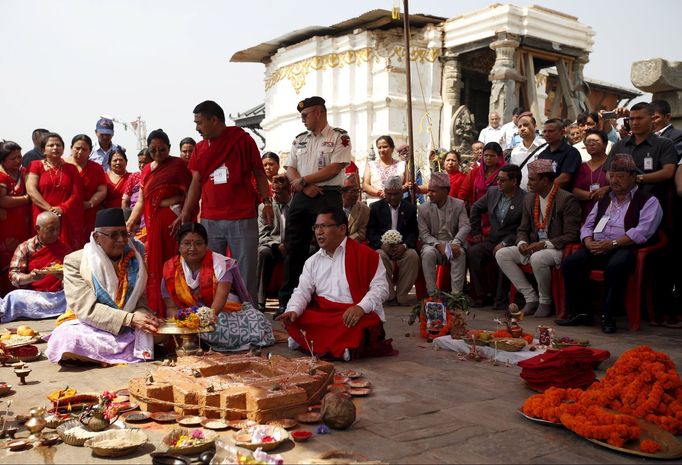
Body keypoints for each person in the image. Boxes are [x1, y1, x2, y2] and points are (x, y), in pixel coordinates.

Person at [176, 100, 273, 303]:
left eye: (200, 122)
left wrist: (267, 203)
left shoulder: (242, 140)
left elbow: (259, 173)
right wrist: (186, 212)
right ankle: (213, 317)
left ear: (214, 119)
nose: (197, 128)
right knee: (212, 273)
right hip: (211, 220)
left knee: (246, 271)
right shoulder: (200, 148)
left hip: (242, 216)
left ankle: (249, 316)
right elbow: (196, 182)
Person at [558, 154, 663, 333]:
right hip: (598, 246)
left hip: (625, 248)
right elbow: (588, 224)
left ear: (633, 177)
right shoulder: (605, 198)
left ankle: (609, 315)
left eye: (620, 176)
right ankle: (581, 313)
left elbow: (642, 231)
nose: (614, 180)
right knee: (570, 263)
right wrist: (589, 242)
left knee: (616, 266)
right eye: (611, 176)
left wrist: (613, 243)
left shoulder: (648, 200)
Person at [45, 208, 161, 364]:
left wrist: (142, 316)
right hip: (91, 326)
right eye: (114, 235)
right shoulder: (75, 261)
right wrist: (130, 319)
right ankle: (123, 353)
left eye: (124, 234)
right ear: (97, 237)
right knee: (65, 339)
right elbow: (87, 309)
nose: (121, 240)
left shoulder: (135, 256)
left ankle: (101, 357)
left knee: (161, 330)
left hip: (130, 326)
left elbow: (140, 299)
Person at [276, 208, 393, 361]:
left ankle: (315, 343)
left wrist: (360, 308)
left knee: (357, 325)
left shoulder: (367, 255)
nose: (319, 232)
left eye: (324, 226)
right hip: (324, 313)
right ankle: (337, 347)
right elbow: (302, 291)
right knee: (300, 318)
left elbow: (381, 288)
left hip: (352, 313)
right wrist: (293, 310)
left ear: (342, 229)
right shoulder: (312, 262)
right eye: (316, 227)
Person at [275, 96, 351, 314]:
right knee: (293, 247)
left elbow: (335, 168)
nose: (303, 120)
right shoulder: (300, 139)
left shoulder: (339, 137)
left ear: (319, 112)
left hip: (327, 195)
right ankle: (287, 300)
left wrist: (305, 181)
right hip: (302, 195)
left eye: (305, 115)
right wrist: (303, 185)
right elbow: (290, 168)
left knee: (329, 247)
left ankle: (329, 297)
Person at [162, 222, 275, 351]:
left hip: (222, 314)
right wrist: (184, 321)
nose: (192, 248)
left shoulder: (221, 265)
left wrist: (201, 321)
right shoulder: (170, 269)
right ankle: (197, 339)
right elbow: (171, 307)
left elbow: (217, 307)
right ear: (179, 246)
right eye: (187, 243)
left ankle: (200, 340)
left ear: (206, 245)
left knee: (257, 321)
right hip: (187, 317)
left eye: (198, 243)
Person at [495, 159, 581, 317]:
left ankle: (545, 301)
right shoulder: (529, 198)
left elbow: (572, 234)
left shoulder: (566, 199)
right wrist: (522, 242)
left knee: (538, 258)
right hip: (533, 246)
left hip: (557, 248)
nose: (529, 182)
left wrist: (544, 244)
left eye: (533, 179)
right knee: (502, 254)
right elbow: (522, 228)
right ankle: (530, 298)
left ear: (545, 180)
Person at [127, 129, 192, 317]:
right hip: (154, 224)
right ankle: (159, 310)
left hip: (173, 222)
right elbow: (141, 200)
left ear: (169, 148)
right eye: (153, 150)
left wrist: (183, 214)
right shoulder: (146, 169)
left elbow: (190, 193)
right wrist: (131, 222)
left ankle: (180, 309)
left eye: (162, 149)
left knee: (175, 263)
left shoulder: (179, 165)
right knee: (156, 265)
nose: (157, 153)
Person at [468, 164, 525, 307]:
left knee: (502, 255)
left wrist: (506, 242)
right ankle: (482, 295)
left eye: (502, 180)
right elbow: (475, 208)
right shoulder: (493, 192)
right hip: (492, 239)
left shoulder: (525, 199)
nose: (498, 182)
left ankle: (500, 299)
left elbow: (523, 228)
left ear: (514, 182)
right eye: (498, 179)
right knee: (473, 252)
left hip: (511, 242)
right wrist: (476, 232)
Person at [2, 212, 70, 322]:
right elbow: (13, 275)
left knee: (75, 295)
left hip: (58, 297)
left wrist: (64, 277)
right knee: (14, 297)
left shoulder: (64, 248)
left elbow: (75, 276)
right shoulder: (26, 247)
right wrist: (30, 277)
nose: (56, 233)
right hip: (35, 296)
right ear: (38, 229)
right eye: (51, 229)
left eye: (58, 229)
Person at [605, 103, 677, 204]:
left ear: (652, 119)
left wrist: (638, 179)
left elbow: (668, 172)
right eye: (631, 119)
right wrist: (617, 181)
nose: (634, 123)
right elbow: (608, 172)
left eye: (639, 118)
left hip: (653, 201)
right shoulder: (619, 145)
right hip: (622, 202)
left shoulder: (665, 144)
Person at [26, 132, 85, 251]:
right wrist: (49, 209)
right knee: (41, 248)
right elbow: (31, 190)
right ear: (43, 150)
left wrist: (61, 209)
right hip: (41, 213)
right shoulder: (35, 165)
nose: (55, 148)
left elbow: (76, 194)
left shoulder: (71, 168)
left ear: (63, 149)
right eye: (51, 145)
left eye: (58, 145)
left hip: (65, 215)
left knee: (65, 250)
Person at [367, 176, 419, 306]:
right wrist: (381, 245)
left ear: (402, 193)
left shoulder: (410, 208)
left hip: (403, 247)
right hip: (382, 247)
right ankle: (389, 295)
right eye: (389, 194)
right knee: (378, 256)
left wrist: (405, 245)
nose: (393, 198)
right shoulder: (375, 208)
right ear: (385, 192)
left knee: (413, 256)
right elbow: (370, 232)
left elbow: (414, 232)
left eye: (396, 194)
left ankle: (401, 295)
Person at [419, 172, 470, 296]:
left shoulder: (458, 204)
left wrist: (456, 243)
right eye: (429, 190)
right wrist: (437, 245)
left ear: (445, 191)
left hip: (453, 242)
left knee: (459, 254)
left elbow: (465, 226)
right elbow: (424, 234)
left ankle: (456, 296)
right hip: (433, 245)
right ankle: (432, 295)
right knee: (427, 254)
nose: (429, 194)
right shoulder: (423, 208)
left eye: (433, 191)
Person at [0, 141, 32, 295]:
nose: (18, 160)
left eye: (19, 156)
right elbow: (2, 200)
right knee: (6, 259)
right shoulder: (1, 176)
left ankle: (23, 292)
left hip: (24, 224)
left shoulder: (23, 172)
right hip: (6, 226)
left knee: (24, 256)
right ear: (3, 159)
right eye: (13, 158)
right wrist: (26, 198)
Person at [65, 134, 107, 247]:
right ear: (71, 148)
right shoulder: (62, 165)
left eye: (84, 149)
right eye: (77, 148)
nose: (80, 152)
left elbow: (102, 190)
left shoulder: (96, 168)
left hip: (89, 214)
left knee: (90, 246)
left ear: (90, 151)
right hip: (66, 214)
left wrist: (89, 204)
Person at [257, 175, 291, 312]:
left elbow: (301, 231)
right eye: (274, 192)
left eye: (280, 192)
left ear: (289, 192)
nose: (276, 196)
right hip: (272, 245)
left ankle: (287, 302)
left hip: (292, 245)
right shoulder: (264, 207)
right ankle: (259, 301)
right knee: (262, 252)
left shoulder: (295, 205)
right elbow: (262, 234)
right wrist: (277, 245)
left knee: (309, 250)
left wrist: (288, 245)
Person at [572, 129, 610, 223]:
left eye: (595, 141)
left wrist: (608, 189)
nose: (591, 144)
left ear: (605, 144)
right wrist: (591, 195)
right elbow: (575, 190)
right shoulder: (582, 167)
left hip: (609, 209)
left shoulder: (612, 163)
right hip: (587, 212)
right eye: (588, 142)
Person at [537, 118, 582, 191]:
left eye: (550, 131)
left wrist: (545, 189)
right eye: (544, 132)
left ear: (562, 132)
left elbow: (564, 179)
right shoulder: (542, 154)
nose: (547, 134)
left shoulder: (571, 152)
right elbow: (539, 177)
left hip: (564, 198)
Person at [458, 141, 506, 209]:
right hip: (477, 211)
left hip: (498, 211)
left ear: (499, 157)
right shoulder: (475, 172)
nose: (488, 158)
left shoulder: (505, 172)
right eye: (486, 155)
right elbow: (464, 191)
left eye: (492, 156)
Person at [363, 135, 405, 205]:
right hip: (375, 206)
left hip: (397, 205)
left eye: (385, 147)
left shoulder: (402, 165)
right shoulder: (371, 165)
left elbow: (407, 183)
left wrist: (392, 193)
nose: (382, 150)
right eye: (379, 147)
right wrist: (379, 193)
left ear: (392, 148)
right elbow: (365, 186)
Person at [509, 114, 546, 190]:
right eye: (519, 126)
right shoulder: (515, 152)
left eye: (526, 125)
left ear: (535, 126)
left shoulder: (545, 146)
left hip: (541, 194)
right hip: (520, 195)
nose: (522, 128)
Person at [122, 149, 152, 239]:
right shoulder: (134, 176)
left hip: (150, 215)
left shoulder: (156, 176)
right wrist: (125, 218)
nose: (142, 165)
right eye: (140, 162)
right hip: (135, 216)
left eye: (145, 162)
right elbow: (125, 200)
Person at [342, 174, 370, 242]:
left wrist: (346, 242)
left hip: (352, 244)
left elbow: (361, 232)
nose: (356, 195)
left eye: (357, 191)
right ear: (342, 192)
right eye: (352, 191)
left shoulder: (364, 209)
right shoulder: (332, 207)